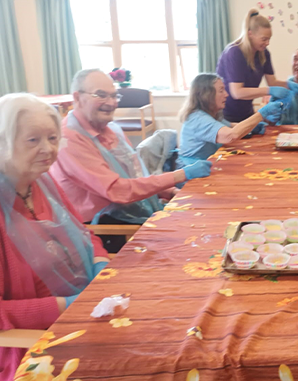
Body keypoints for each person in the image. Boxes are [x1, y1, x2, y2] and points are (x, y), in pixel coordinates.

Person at [0, 93, 110, 381]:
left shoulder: (42, 182)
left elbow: (83, 233)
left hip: (84, 312)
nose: (48, 149)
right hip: (30, 346)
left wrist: (100, 263)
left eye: (52, 138)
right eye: (33, 140)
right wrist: (67, 305)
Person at [49, 69, 212, 251]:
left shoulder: (111, 129)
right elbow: (119, 191)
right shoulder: (69, 139)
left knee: (205, 221)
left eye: (114, 96)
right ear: (77, 97)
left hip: (130, 212)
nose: (111, 103)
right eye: (101, 95)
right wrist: (180, 175)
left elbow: (134, 175)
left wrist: (170, 191)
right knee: (194, 243)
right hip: (101, 230)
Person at [216, 8, 298, 123]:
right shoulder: (234, 53)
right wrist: (269, 90)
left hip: (246, 112)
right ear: (250, 34)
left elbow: (272, 82)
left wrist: (289, 85)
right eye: (264, 39)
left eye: (269, 39)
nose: (267, 43)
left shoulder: (263, 54)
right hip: (225, 115)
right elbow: (237, 92)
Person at [178, 73, 284, 164]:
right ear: (206, 95)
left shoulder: (210, 114)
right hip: (192, 172)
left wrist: (256, 125)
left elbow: (231, 126)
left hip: (207, 164)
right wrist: (262, 113)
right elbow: (230, 135)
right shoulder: (197, 119)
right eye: (221, 91)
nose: (226, 94)